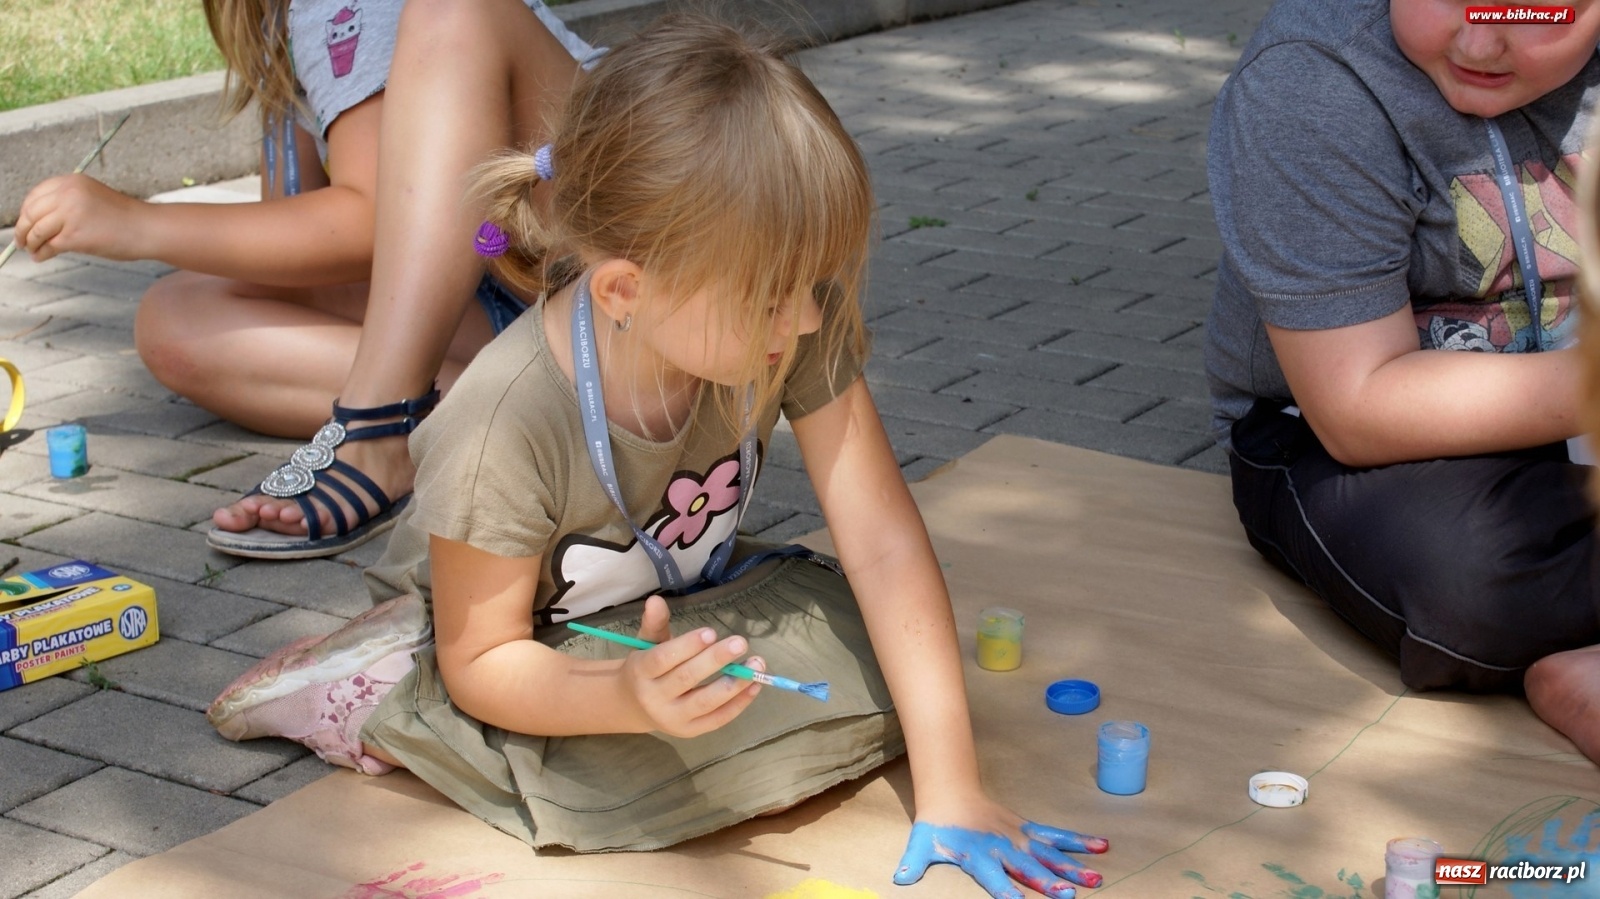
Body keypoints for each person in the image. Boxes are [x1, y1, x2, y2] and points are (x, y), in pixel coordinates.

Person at [203, 14, 1110, 896]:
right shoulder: (502, 420)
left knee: (907, 672)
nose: (801, 321)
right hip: (506, 628)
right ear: (628, 291)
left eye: (810, 288)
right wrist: (625, 701)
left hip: (663, 604)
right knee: (607, 795)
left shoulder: (786, 314)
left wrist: (953, 787)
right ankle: (371, 685)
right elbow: (488, 657)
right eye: (771, 298)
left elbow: (881, 543)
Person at [11, 0, 600, 559]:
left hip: (604, 247)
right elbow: (310, 233)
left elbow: (369, 222)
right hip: (512, 280)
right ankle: (508, 413)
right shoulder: (288, 21)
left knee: (458, 10)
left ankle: (385, 429)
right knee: (178, 317)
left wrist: (138, 224)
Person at [1205, 0, 1600, 761]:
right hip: (1334, 431)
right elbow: (1357, 409)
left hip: (1566, 425)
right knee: (1465, 575)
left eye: (1535, 10)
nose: (1481, 42)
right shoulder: (1314, 81)